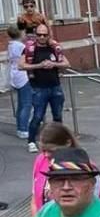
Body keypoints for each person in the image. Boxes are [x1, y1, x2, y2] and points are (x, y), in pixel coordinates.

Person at [31, 122, 100, 216]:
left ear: (68, 143)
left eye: (51, 150)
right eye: (43, 150)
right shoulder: (41, 160)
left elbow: (94, 206)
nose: (46, 155)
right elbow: (35, 200)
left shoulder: (85, 169)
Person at [20, 23, 69, 154]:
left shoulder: (54, 48)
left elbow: (66, 63)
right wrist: (39, 65)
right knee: (37, 116)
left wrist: (53, 64)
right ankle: (31, 141)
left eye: (44, 35)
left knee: (58, 116)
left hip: (55, 87)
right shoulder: (30, 49)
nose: (42, 37)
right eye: (39, 34)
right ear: (35, 35)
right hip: (39, 88)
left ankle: (59, 141)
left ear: (48, 35)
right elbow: (21, 65)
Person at [7, 26, 31, 140]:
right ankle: (23, 129)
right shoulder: (21, 46)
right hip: (23, 75)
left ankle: (20, 127)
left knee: (21, 104)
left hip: (15, 74)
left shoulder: (11, 45)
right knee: (26, 104)